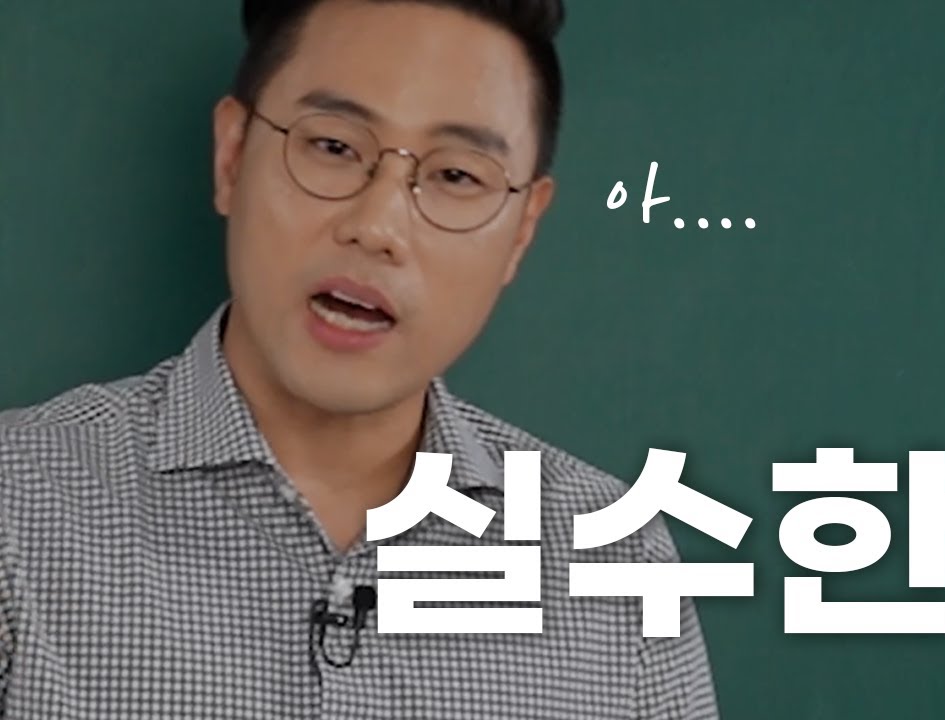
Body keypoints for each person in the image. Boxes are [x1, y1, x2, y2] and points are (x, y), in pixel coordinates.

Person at [0, 1, 719, 717]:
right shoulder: (19, 508)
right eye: (334, 146)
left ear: (522, 231)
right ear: (232, 156)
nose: (377, 227)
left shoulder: (615, 565)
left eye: (456, 176)